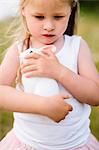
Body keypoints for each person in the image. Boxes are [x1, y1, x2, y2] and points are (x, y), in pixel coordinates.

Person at [0, 0, 99, 149]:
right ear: (23, 11)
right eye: (39, 17)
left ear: (70, 12)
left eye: (58, 17)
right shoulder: (19, 50)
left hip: (75, 144)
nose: (49, 26)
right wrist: (43, 105)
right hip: (28, 143)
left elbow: (95, 95)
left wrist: (59, 71)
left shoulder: (77, 47)